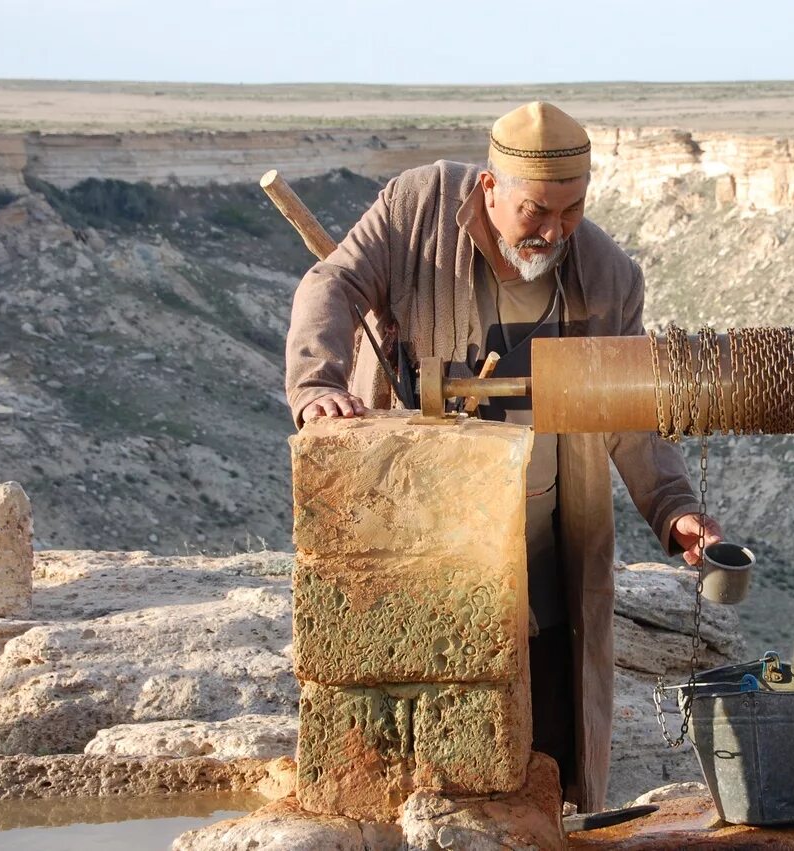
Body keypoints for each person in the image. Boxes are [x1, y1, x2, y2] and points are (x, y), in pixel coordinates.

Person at [285, 101, 722, 810]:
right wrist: (318, 388)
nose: (554, 232)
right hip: (423, 553)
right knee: (423, 769)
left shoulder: (609, 277)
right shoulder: (415, 208)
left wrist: (675, 511)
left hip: (544, 561)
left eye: (573, 211)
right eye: (536, 213)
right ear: (489, 190)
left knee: (546, 769)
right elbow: (330, 284)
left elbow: (633, 412)